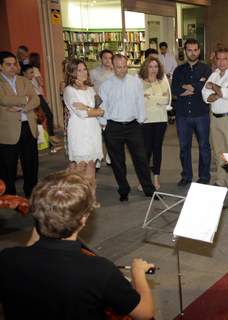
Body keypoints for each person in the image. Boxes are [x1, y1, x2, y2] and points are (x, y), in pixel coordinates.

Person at [0, 171, 155, 320]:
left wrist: (44, 216)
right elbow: (145, 313)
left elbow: (31, 250)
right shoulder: (100, 270)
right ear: (83, 219)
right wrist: (138, 273)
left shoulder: (8, 259)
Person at [99, 54, 156, 201]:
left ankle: (149, 189)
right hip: (113, 126)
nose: (123, 70)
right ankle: (123, 189)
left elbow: (140, 102)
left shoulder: (135, 82)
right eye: (119, 67)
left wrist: (141, 120)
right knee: (118, 162)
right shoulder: (106, 85)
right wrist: (103, 124)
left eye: (125, 66)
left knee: (141, 159)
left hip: (133, 126)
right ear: (112, 66)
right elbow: (102, 106)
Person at [62, 59, 104, 207]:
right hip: (79, 130)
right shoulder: (69, 90)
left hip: (93, 129)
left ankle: (91, 198)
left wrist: (89, 108)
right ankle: (70, 197)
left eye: (84, 69)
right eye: (78, 70)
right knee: (79, 167)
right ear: (71, 73)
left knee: (91, 164)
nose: (83, 72)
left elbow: (100, 110)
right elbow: (81, 114)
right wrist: (92, 110)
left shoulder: (90, 89)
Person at [201, 47, 228, 187]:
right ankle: (221, 181)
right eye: (218, 59)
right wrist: (217, 93)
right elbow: (204, 95)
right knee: (219, 151)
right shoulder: (214, 74)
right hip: (215, 118)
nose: (221, 62)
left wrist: (214, 87)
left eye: (224, 59)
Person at [172, 39, 212, 186]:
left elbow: (204, 87)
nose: (193, 53)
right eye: (189, 50)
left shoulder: (206, 69)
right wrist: (195, 87)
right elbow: (175, 90)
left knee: (204, 147)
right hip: (183, 115)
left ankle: (204, 176)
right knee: (184, 148)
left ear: (199, 51)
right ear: (185, 51)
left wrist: (190, 87)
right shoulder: (178, 70)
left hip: (201, 114)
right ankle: (186, 176)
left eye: (195, 50)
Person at [0, 51, 39, 197]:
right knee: (8, 167)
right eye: (8, 64)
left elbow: (36, 100)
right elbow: (4, 100)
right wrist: (25, 99)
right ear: (0, 66)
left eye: (14, 64)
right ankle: (9, 195)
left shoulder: (24, 80)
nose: (12, 67)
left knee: (31, 164)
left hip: (28, 127)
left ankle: (32, 192)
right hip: (7, 131)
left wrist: (23, 106)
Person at [138, 56, 171, 190]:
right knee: (146, 151)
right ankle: (144, 180)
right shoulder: (139, 82)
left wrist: (149, 97)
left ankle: (156, 177)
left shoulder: (162, 81)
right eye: (150, 66)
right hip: (145, 120)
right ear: (146, 67)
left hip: (161, 119)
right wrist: (158, 98)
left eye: (156, 67)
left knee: (157, 149)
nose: (153, 69)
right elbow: (140, 101)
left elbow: (166, 100)